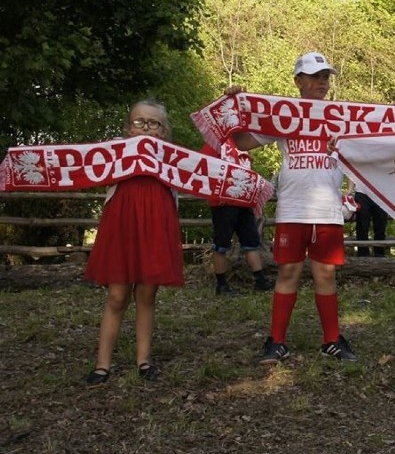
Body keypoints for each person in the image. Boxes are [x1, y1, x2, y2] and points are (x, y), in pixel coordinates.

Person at [231, 52, 357, 363]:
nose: (322, 82)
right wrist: (232, 107)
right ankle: (276, 341)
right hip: (293, 208)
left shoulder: (343, 118)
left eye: (326, 76)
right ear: (298, 81)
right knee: (288, 271)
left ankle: (331, 340)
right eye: (315, 76)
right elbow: (242, 142)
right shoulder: (283, 116)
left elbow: (381, 143)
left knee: (325, 275)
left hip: (327, 210)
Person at [84, 100, 184, 384]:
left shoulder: (172, 157)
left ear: (164, 131)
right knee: (117, 295)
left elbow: (204, 172)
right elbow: (81, 163)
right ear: (128, 127)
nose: (146, 128)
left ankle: (144, 360)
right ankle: (102, 364)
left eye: (154, 124)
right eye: (139, 122)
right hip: (122, 224)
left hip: (156, 223)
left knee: (147, 294)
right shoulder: (115, 151)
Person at [202, 137, 274, 295]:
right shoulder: (215, 143)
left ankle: (260, 281)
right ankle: (221, 285)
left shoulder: (243, 144)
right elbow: (204, 167)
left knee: (251, 242)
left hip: (244, 202)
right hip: (224, 203)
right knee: (221, 244)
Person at [353, 188, 389, 257]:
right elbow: (353, 176)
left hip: (380, 193)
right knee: (362, 226)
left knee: (381, 226)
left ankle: (379, 255)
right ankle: (363, 255)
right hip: (362, 192)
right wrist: (350, 190)